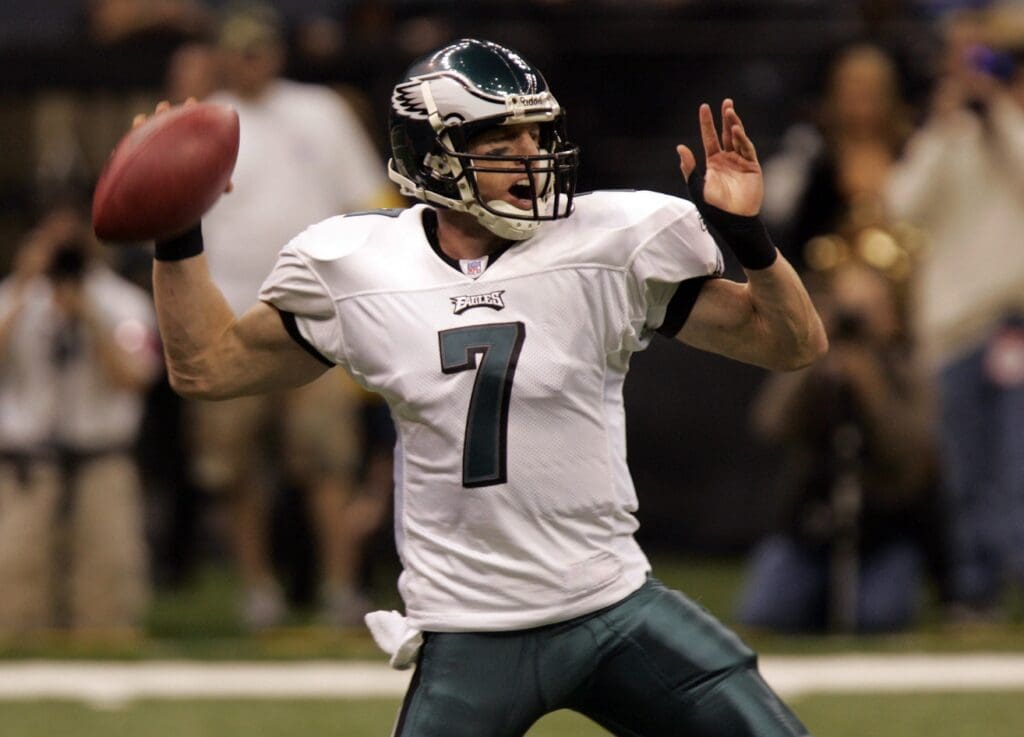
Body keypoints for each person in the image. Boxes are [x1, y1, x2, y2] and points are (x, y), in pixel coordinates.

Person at [140, 38, 826, 737]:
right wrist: (176, 232)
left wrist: (750, 241)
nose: (533, 153)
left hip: (611, 605)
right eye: (504, 138)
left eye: (539, 131)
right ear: (433, 154)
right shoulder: (357, 266)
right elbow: (207, 366)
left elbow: (792, 343)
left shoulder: (608, 242)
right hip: (471, 631)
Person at [190, 2, 395, 628]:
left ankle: (339, 589)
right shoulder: (203, 122)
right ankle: (259, 593)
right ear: (221, 53)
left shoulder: (320, 111)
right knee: (238, 470)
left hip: (316, 318)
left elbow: (373, 202)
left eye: (260, 47)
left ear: (277, 51)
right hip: (228, 313)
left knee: (327, 464)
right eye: (238, 48)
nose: (250, 60)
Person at [885, 7, 1024, 620]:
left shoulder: (1012, 125)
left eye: (982, 57)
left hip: (1012, 318)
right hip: (954, 328)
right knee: (964, 469)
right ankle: (974, 592)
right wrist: (943, 129)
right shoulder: (942, 135)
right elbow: (899, 205)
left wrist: (998, 110)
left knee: (1015, 466)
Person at [737, 262, 939, 633]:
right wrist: (811, 348)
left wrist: (870, 384)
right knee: (767, 614)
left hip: (884, 533)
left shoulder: (910, 370)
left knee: (878, 619)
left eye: (867, 308)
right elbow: (770, 423)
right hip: (808, 529)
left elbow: (911, 452)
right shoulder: (814, 368)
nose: (855, 321)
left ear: (892, 315)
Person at [0, 205, 160, 636]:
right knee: (13, 606)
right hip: (26, 466)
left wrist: (88, 316)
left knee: (105, 603)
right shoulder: (12, 298)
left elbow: (135, 377)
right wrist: (23, 287)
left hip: (102, 462)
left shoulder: (123, 302)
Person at [761, 43, 914, 273]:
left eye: (870, 88)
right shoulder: (815, 156)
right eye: (853, 87)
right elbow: (800, 235)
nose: (861, 98)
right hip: (831, 279)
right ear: (836, 94)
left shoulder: (913, 150)